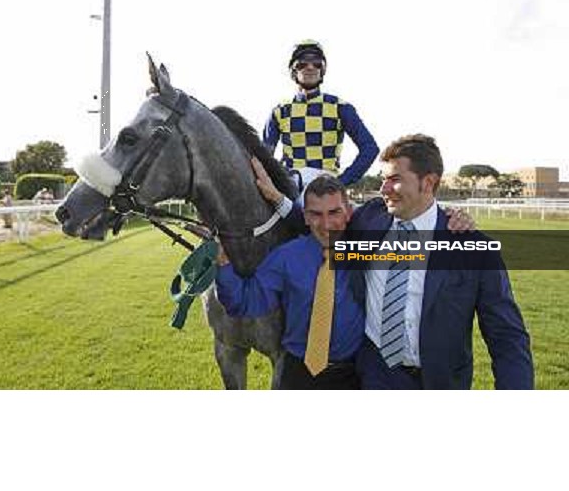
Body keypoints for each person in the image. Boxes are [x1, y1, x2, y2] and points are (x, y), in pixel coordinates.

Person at [351, 134, 534, 389]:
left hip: (440, 383)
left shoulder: (474, 248)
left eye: (394, 179)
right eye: (383, 180)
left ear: (428, 182)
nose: (383, 189)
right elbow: (316, 220)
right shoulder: (369, 218)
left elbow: (506, 335)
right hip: (374, 376)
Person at [216, 175, 365, 390]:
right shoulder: (285, 257)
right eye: (315, 214)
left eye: (334, 212)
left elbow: (420, 252)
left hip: (350, 375)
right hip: (297, 374)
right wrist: (224, 267)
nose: (325, 225)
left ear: (349, 213)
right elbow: (245, 302)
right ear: (305, 217)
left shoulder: (366, 250)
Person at [263, 40, 379, 186]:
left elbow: (370, 148)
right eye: (302, 64)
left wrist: (342, 182)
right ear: (293, 70)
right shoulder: (279, 111)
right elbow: (265, 156)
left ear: (322, 70)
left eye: (317, 63)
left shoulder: (340, 107)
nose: (310, 67)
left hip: (326, 186)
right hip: (292, 186)